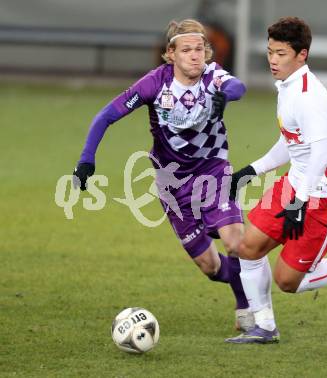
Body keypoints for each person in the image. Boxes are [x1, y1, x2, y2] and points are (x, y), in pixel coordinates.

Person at [73, 19, 254, 331]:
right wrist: (87, 159)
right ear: (171, 54)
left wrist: (227, 95)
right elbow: (105, 116)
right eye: (187, 50)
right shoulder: (155, 84)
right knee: (210, 267)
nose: (195, 55)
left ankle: (247, 309)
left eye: (200, 49)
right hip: (172, 186)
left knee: (236, 243)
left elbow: (237, 86)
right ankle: (246, 285)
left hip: (212, 172)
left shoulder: (213, 76)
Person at [225, 17, 327, 344]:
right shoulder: (287, 87)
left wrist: (300, 200)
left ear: (302, 54)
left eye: (281, 53)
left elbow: (322, 151)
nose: (272, 60)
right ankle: (264, 327)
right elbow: (293, 141)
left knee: (288, 281)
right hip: (295, 185)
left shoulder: (310, 96)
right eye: (270, 52)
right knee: (248, 247)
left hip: (324, 198)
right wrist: (252, 170)